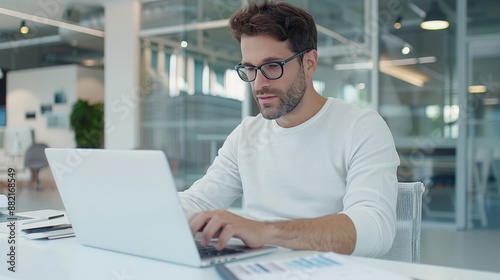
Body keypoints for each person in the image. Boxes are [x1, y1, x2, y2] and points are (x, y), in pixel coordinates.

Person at [179, 0, 400, 257]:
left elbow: (374, 229)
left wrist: (264, 231)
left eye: (272, 66)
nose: (259, 83)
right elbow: (198, 201)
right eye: (250, 68)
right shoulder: (247, 135)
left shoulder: (360, 127)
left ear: (309, 63)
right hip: (258, 270)